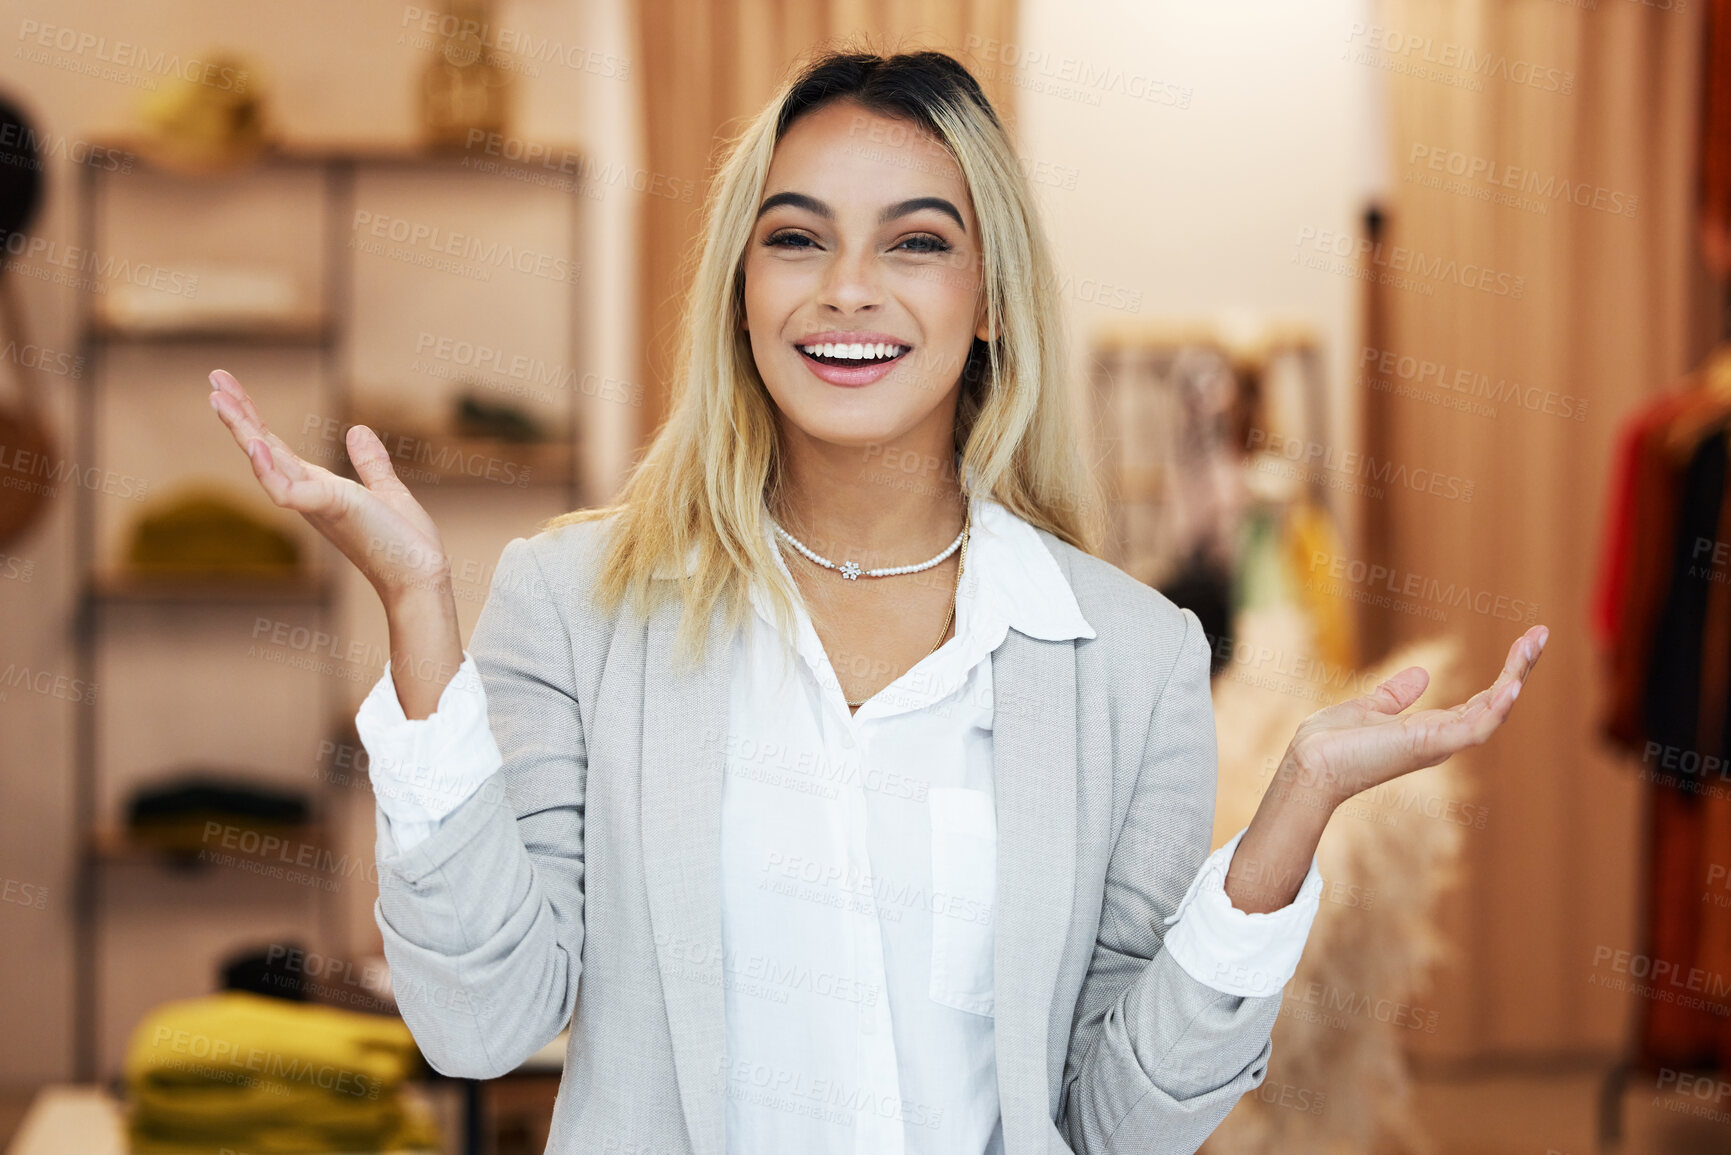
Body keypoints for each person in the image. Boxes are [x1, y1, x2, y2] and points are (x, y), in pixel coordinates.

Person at [206, 47, 1546, 1155]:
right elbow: (482, 1025)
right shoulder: (573, 603)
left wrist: (1292, 810)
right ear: (741, 292)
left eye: (917, 242)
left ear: (992, 304)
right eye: (797, 239)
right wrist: (421, 617)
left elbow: (1120, 1119)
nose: (849, 288)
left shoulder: (1130, 659)